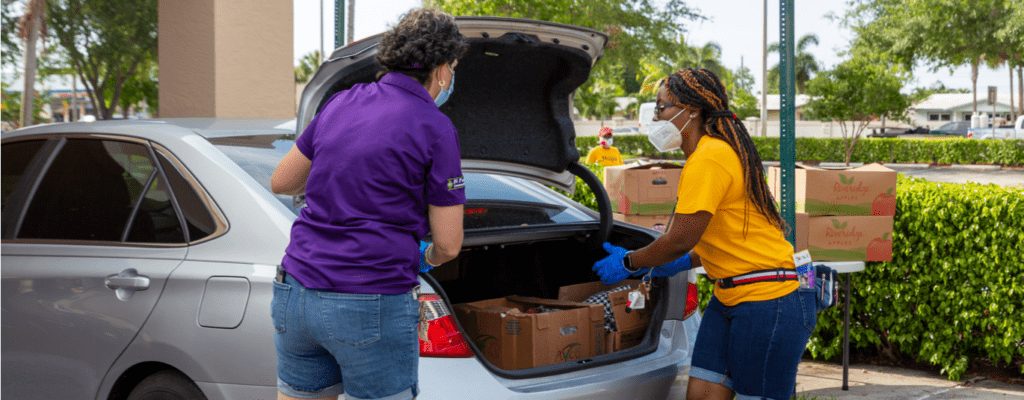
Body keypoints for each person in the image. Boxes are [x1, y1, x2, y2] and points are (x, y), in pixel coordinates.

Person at [269, 8, 468, 400]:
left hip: (295, 294)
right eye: (453, 66)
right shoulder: (435, 127)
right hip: (369, 300)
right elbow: (449, 244)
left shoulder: (342, 102)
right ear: (442, 69)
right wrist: (425, 256)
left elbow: (282, 181)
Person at [591, 68, 816, 400]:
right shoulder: (713, 154)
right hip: (731, 296)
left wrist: (629, 261)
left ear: (690, 110)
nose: (656, 117)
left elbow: (679, 238)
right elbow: (722, 237)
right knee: (703, 394)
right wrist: (677, 262)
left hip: (768, 301)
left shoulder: (709, 158)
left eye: (661, 107)